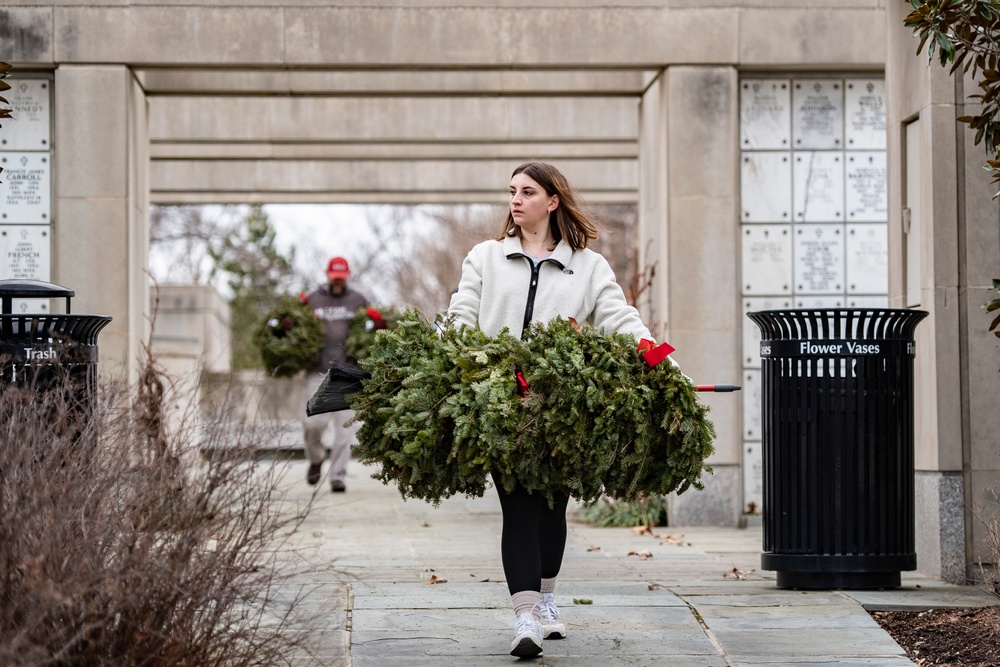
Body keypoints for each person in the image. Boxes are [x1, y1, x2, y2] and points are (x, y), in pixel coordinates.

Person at [448, 161, 672, 659]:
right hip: (500, 404)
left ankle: (546, 599)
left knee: (552, 508)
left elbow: (618, 314)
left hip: (562, 410)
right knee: (518, 508)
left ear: (552, 201)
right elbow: (462, 311)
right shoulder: (485, 257)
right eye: (512, 191)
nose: (516, 199)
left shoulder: (587, 266)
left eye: (527, 192)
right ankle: (524, 617)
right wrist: (448, 354)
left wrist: (647, 347)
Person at [300, 256, 370, 493]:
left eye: (342, 278)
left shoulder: (359, 299)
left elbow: (372, 324)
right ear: (328, 275)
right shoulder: (312, 298)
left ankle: (338, 476)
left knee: (344, 429)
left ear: (347, 276)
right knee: (312, 424)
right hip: (316, 370)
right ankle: (316, 458)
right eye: (335, 278)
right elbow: (295, 320)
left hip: (348, 372)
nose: (338, 282)